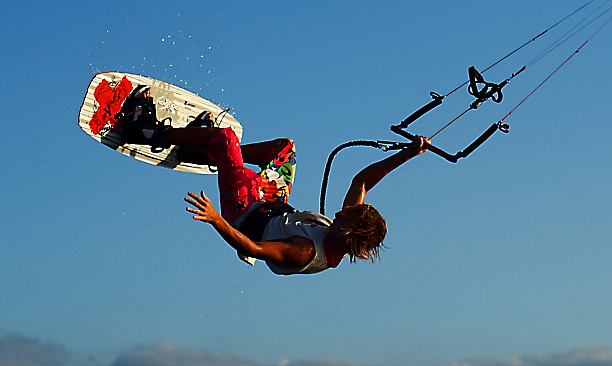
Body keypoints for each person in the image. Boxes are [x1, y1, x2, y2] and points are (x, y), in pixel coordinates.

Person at [117, 86, 429, 275]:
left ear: (349, 233)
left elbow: (252, 248)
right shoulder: (344, 231)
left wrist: (215, 219)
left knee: (226, 137)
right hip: (270, 203)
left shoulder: (305, 251)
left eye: (344, 217)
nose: (338, 213)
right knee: (284, 148)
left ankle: (146, 130)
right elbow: (361, 182)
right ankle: (207, 150)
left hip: (243, 213)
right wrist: (408, 154)